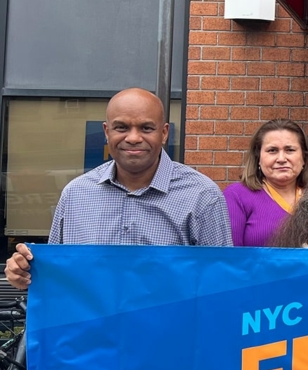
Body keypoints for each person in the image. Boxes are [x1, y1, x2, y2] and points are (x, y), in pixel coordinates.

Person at [4, 87, 232, 290]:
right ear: (106, 132)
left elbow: (223, 282)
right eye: (121, 127)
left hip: (170, 333)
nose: (133, 138)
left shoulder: (202, 196)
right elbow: (56, 277)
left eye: (146, 128)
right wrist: (24, 274)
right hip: (91, 334)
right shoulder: (76, 194)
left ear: (164, 133)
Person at [224, 119, 308, 246]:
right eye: (272, 150)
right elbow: (229, 258)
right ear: (258, 158)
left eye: (290, 150)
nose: (281, 159)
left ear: (304, 157)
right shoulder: (236, 195)